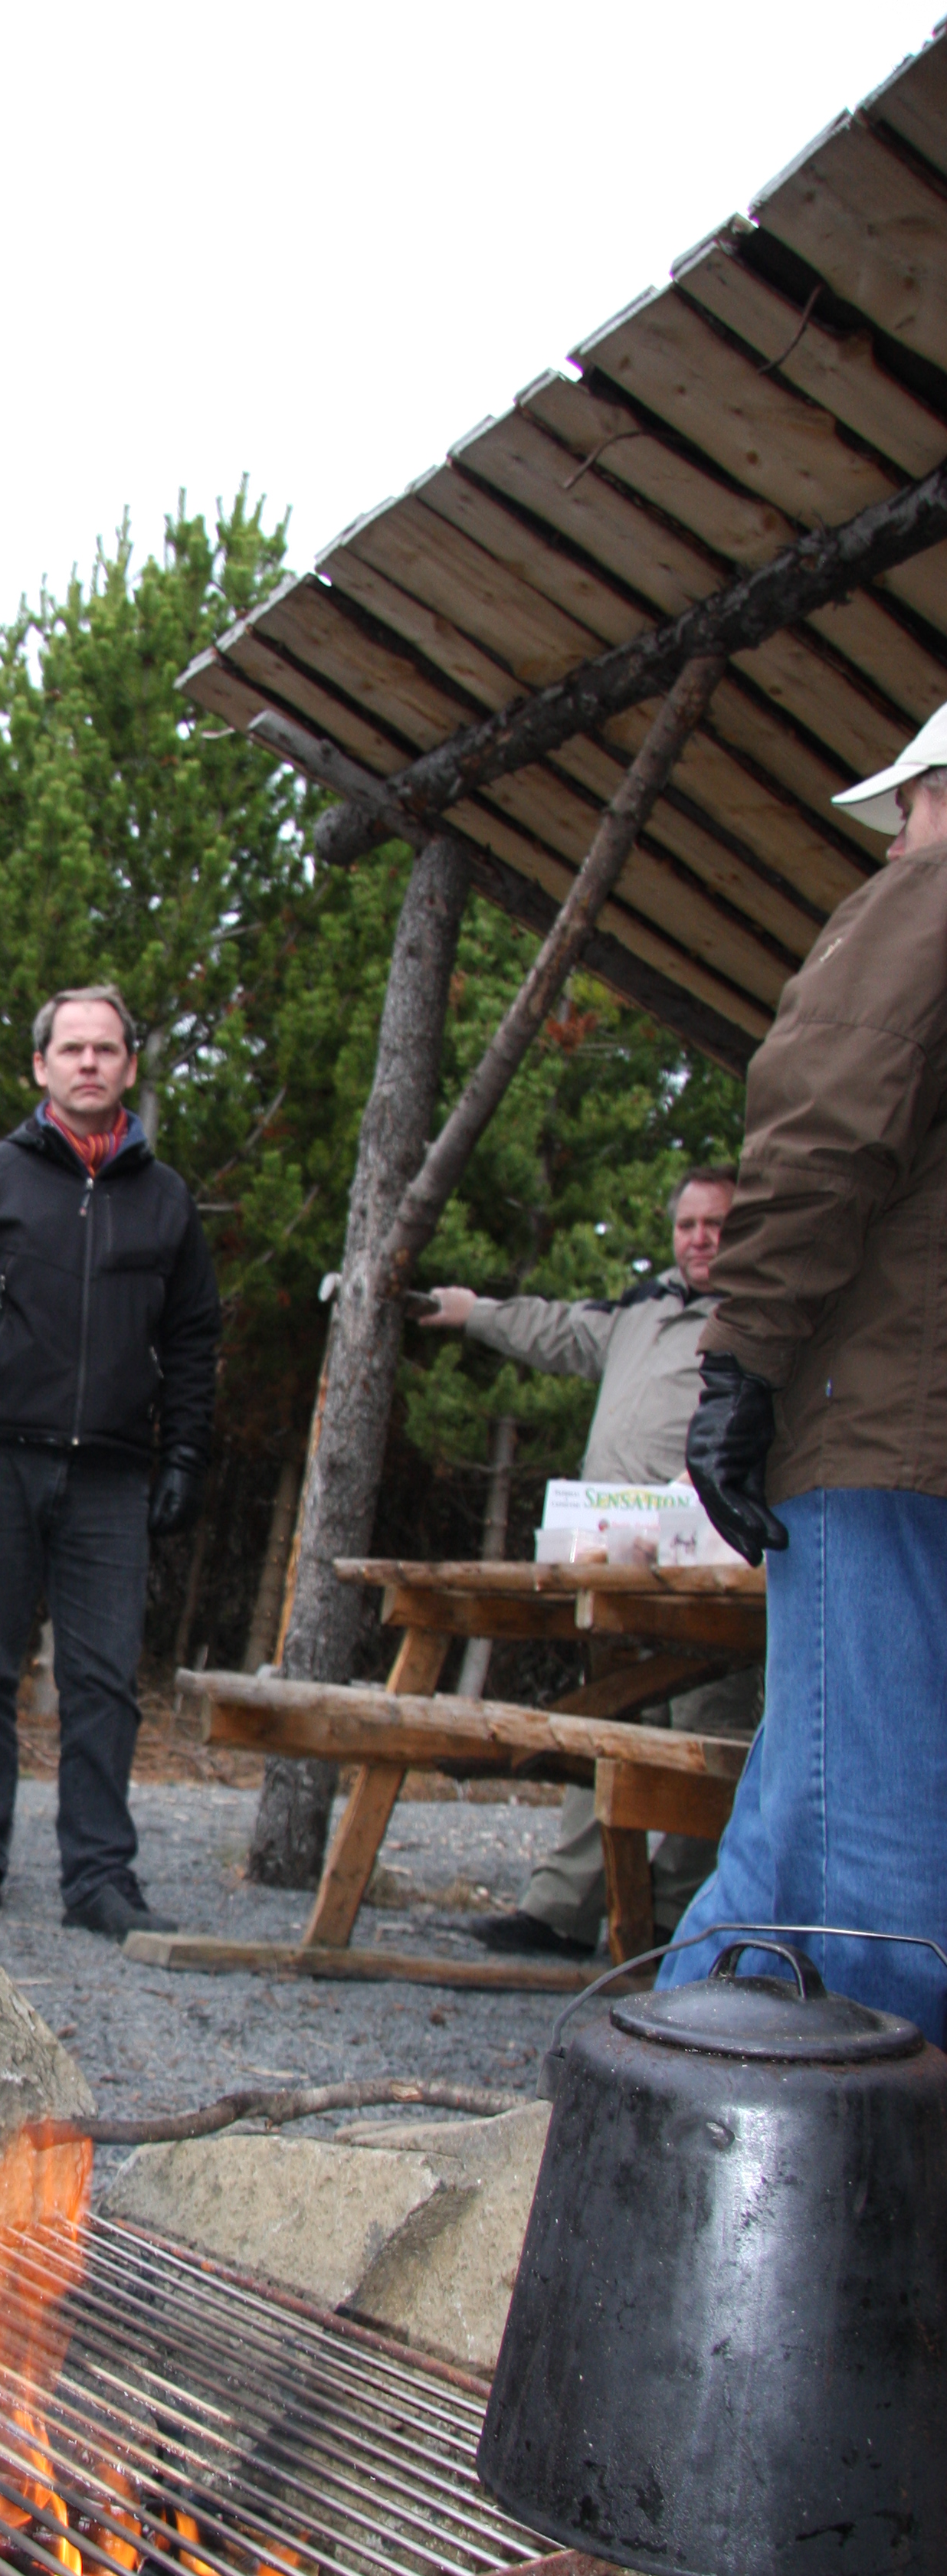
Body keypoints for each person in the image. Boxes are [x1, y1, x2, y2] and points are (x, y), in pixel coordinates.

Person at [665, 703, 947, 2044]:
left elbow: (824, 1119)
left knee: (867, 1857)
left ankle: (861, 2199)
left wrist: (741, 1368)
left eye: (905, 810)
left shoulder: (930, 891)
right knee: (801, 1807)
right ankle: (648, 2130)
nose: (901, 838)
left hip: (880, 1429)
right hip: (915, 1442)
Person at [0, 987, 221, 1937]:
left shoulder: (164, 1200)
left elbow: (195, 1335)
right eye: (70, 1048)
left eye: (105, 1049)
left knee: (104, 1679)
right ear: (40, 1067)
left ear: (128, 1068)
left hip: (116, 1473)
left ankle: (100, 1878)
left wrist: (186, 1452)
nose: (88, 1063)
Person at [414, 1166, 754, 1957]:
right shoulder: (645, 1306)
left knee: (709, 1738)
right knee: (603, 1718)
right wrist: (472, 1314)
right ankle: (561, 1912)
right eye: (689, 1225)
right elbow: (559, 1329)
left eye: (719, 1224)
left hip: (713, 1563)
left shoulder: (767, 1311)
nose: (701, 1238)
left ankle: (668, 1922)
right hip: (614, 1556)